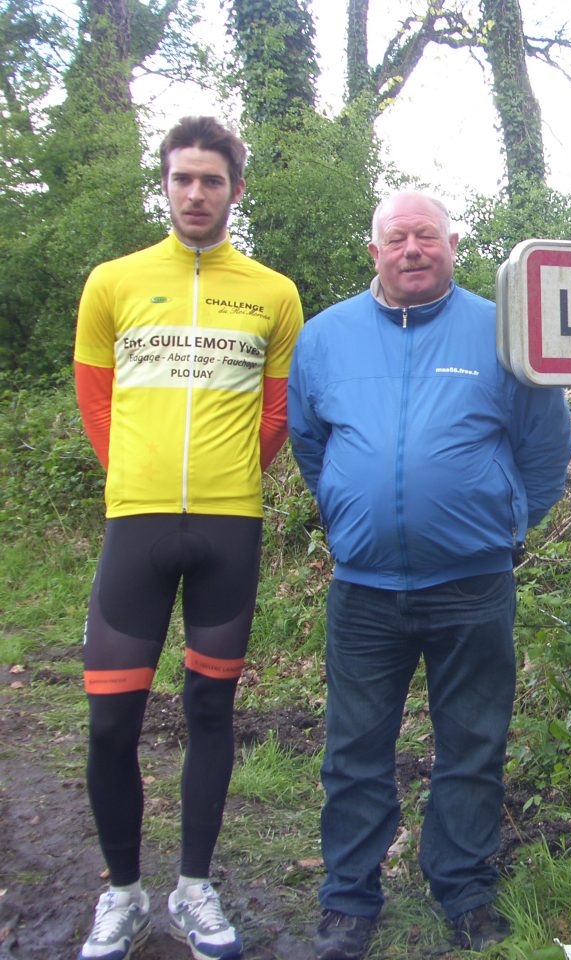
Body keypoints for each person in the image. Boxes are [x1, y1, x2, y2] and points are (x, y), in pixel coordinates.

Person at [288, 191, 571, 959]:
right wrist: (359, 512)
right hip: (365, 589)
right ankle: (348, 900)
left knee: (472, 746)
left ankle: (465, 891)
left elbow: (545, 448)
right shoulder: (324, 339)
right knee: (353, 749)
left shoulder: (500, 331)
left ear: (452, 245)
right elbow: (311, 446)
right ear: (373, 250)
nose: (412, 249)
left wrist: (506, 521)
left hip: (475, 584)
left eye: (427, 236)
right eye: (397, 238)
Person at [73, 116, 303, 960]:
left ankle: (195, 889)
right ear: (164, 185)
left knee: (212, 708)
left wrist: (229, 476)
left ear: (235, 190)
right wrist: (133, 476)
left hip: (226, 528)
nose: (196, 193)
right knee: (110, 722)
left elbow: (277, 411)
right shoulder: (114, 282)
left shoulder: (273, 293)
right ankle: (124, 894)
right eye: (182, 179)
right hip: (134, 527)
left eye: (212, 180)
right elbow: (96, 398)